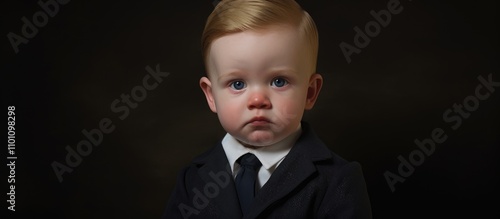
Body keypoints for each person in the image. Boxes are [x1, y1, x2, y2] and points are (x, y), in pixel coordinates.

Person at [162, 0, 372, 218]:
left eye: (279, 81)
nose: (257, 100)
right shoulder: (192, 178)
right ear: (211, 95)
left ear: (310, 93)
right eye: (237, 84)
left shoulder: (336, 179)